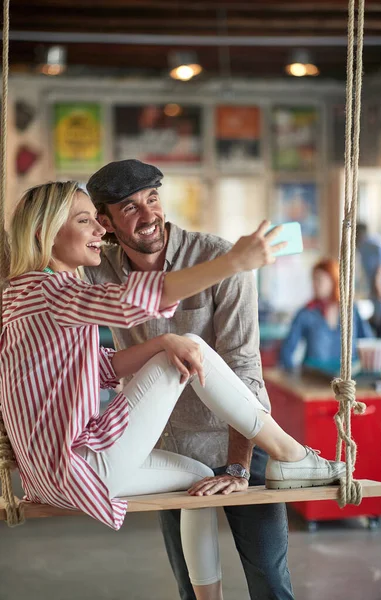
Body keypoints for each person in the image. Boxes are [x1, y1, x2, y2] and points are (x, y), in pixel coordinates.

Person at [0, 181, 346, 600]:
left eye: (96, 220)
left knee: (196, 480)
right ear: (43, 233)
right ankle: (291, 455)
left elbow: (99, 367)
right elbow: (138, 300)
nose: (98, 232)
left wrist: (164, 341)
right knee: (193, 346)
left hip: (51, 476)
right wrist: (234, 261)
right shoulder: (51, 291)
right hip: (83, 463)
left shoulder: (19, 294)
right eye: (84, 221)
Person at [84, 159, 293, 600]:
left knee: (270, 584)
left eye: (153, 198)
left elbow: (242, 365)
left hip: (241, 443)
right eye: (129, 207)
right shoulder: (97, 269)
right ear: (104, 221)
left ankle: (289, 454)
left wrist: (238, 466)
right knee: (192, 589)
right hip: (170, 455)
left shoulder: (218, 260)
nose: (148, 215)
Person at [280, 258, 373, 370]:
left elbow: (369, 343)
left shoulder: (351, 311)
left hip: (348, 379)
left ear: (333, 281)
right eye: (313, 280)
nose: (314, 285)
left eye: (319, 280)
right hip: (314, 379)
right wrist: (294, 376)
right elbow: (287, 350)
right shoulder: (305, 313)